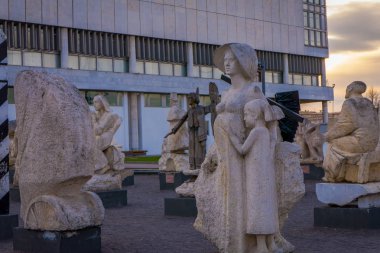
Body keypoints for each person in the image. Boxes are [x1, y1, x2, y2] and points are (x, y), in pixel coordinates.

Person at [194, 43, 282, 253]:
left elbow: (268, 123)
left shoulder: (252, 90)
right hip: (225, 153)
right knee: (227, 195)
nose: (226, 63)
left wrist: (267, 154)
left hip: (244, 154)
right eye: (225, 59)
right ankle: (232, 241)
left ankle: (246, 244)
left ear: (243, 62)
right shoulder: (226, 93)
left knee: (244, 197)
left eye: (231, 59)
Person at [229, 99, 280, 253]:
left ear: (255, 115)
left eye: (246, 115)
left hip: (255, 177)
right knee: (267, 207)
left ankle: (261, 246)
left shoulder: (256, 132)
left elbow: (242, 150)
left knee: (257, 208)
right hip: (264, 175)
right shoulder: (266, 133)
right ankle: (270, 244)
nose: (244, 118)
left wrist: (231, 136)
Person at [323, 81, 379, 182]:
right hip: (372, 143)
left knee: (332, 144)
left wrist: (327, 136)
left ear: (350, 89)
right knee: (341, 142)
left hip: (359, 142)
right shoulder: (369, 103)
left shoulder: (350, 102)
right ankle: (343, 173)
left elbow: (345, 126)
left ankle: (331, 176)